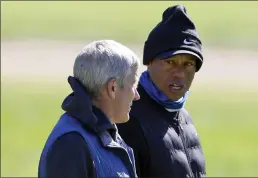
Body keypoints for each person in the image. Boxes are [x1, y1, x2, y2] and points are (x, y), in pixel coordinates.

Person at [117, 4, 206, 178]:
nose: (179, 73)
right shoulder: (129, 117)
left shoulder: (184, 117)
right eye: (170, 62)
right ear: (149, 62)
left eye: (188, 64)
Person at [38, 40, 140, 178]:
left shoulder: (105, 131)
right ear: (113, 88)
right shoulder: (71, 145)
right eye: (133, 84)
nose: (137, 96)